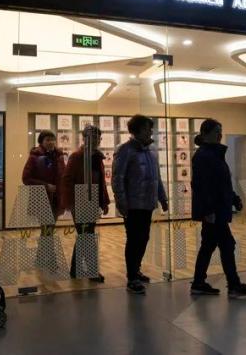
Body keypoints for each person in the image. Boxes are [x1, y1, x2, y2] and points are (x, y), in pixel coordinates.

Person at [190, 119, 246, 298]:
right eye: (216, 131)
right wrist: (209, 210)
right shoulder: (204, 156)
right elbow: (201, 186)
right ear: (206, 134)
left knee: (210, 245)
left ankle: (199, 282)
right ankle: (233, 285)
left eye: (220, 131)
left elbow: (222, 183)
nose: (220, 135)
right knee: (226, 245)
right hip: (214, 210)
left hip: (218, 208)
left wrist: (234, 198)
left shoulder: (214, 154)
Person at [112, 115, 169, 294]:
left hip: (147, 204)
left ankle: (136, 270)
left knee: (143, 238)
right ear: (137, 130)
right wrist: (122, 202)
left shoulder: (151, 151)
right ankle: (132, 277)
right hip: (133, 205)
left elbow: (156, 178)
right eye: (147, 128)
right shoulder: (125, 150)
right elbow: (118, 178)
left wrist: (163, 198)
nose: (150, 131)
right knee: (134, 239)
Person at [60, 125, 109, 282]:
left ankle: (76, 270)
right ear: (85, 139)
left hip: (92, 199)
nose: (95, 140)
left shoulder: (97, 157)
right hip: (80, 199)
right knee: (86, 235)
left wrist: (104, 202)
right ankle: (90, 271)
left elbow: (101, 182)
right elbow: (67, 180)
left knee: (85, 235)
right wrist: (71, 203)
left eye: (97, 137)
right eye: (92, 137)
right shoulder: (77, 156)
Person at [22, 130, 66, 218]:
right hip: (41, 198)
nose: (51, 142)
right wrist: (46, 185)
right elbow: (26, 178)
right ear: (41, 142)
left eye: (53, 139)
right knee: (45, 224)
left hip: (57, 198)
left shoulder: (59, 156)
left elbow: (63, 174)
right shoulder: (35, 156)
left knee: (52, 223)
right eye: (48, 140)